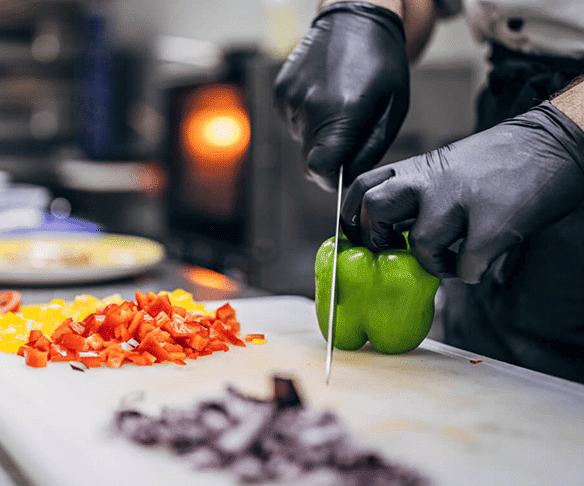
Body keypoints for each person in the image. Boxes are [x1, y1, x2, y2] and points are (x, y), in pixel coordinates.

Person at [273, 0, 584, 383]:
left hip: (569, 117)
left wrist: (566, 134)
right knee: (488, 394)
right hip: (513, 102)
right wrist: (367, 14)